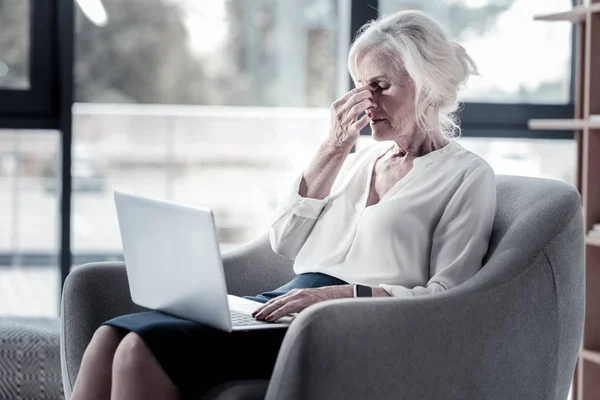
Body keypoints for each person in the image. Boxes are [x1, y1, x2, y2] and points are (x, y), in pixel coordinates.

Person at [71, 9, 496, 400]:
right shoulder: (360, 159)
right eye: (360, 87)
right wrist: (333, 146)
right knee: (109, 338)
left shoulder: (465, 176)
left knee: (137, 351)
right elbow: (284, 240)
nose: (365, 102)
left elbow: (449, 297)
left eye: (381, 86)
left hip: (346, 327)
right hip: (282, 305)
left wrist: (343, 296)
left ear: (427, 86)